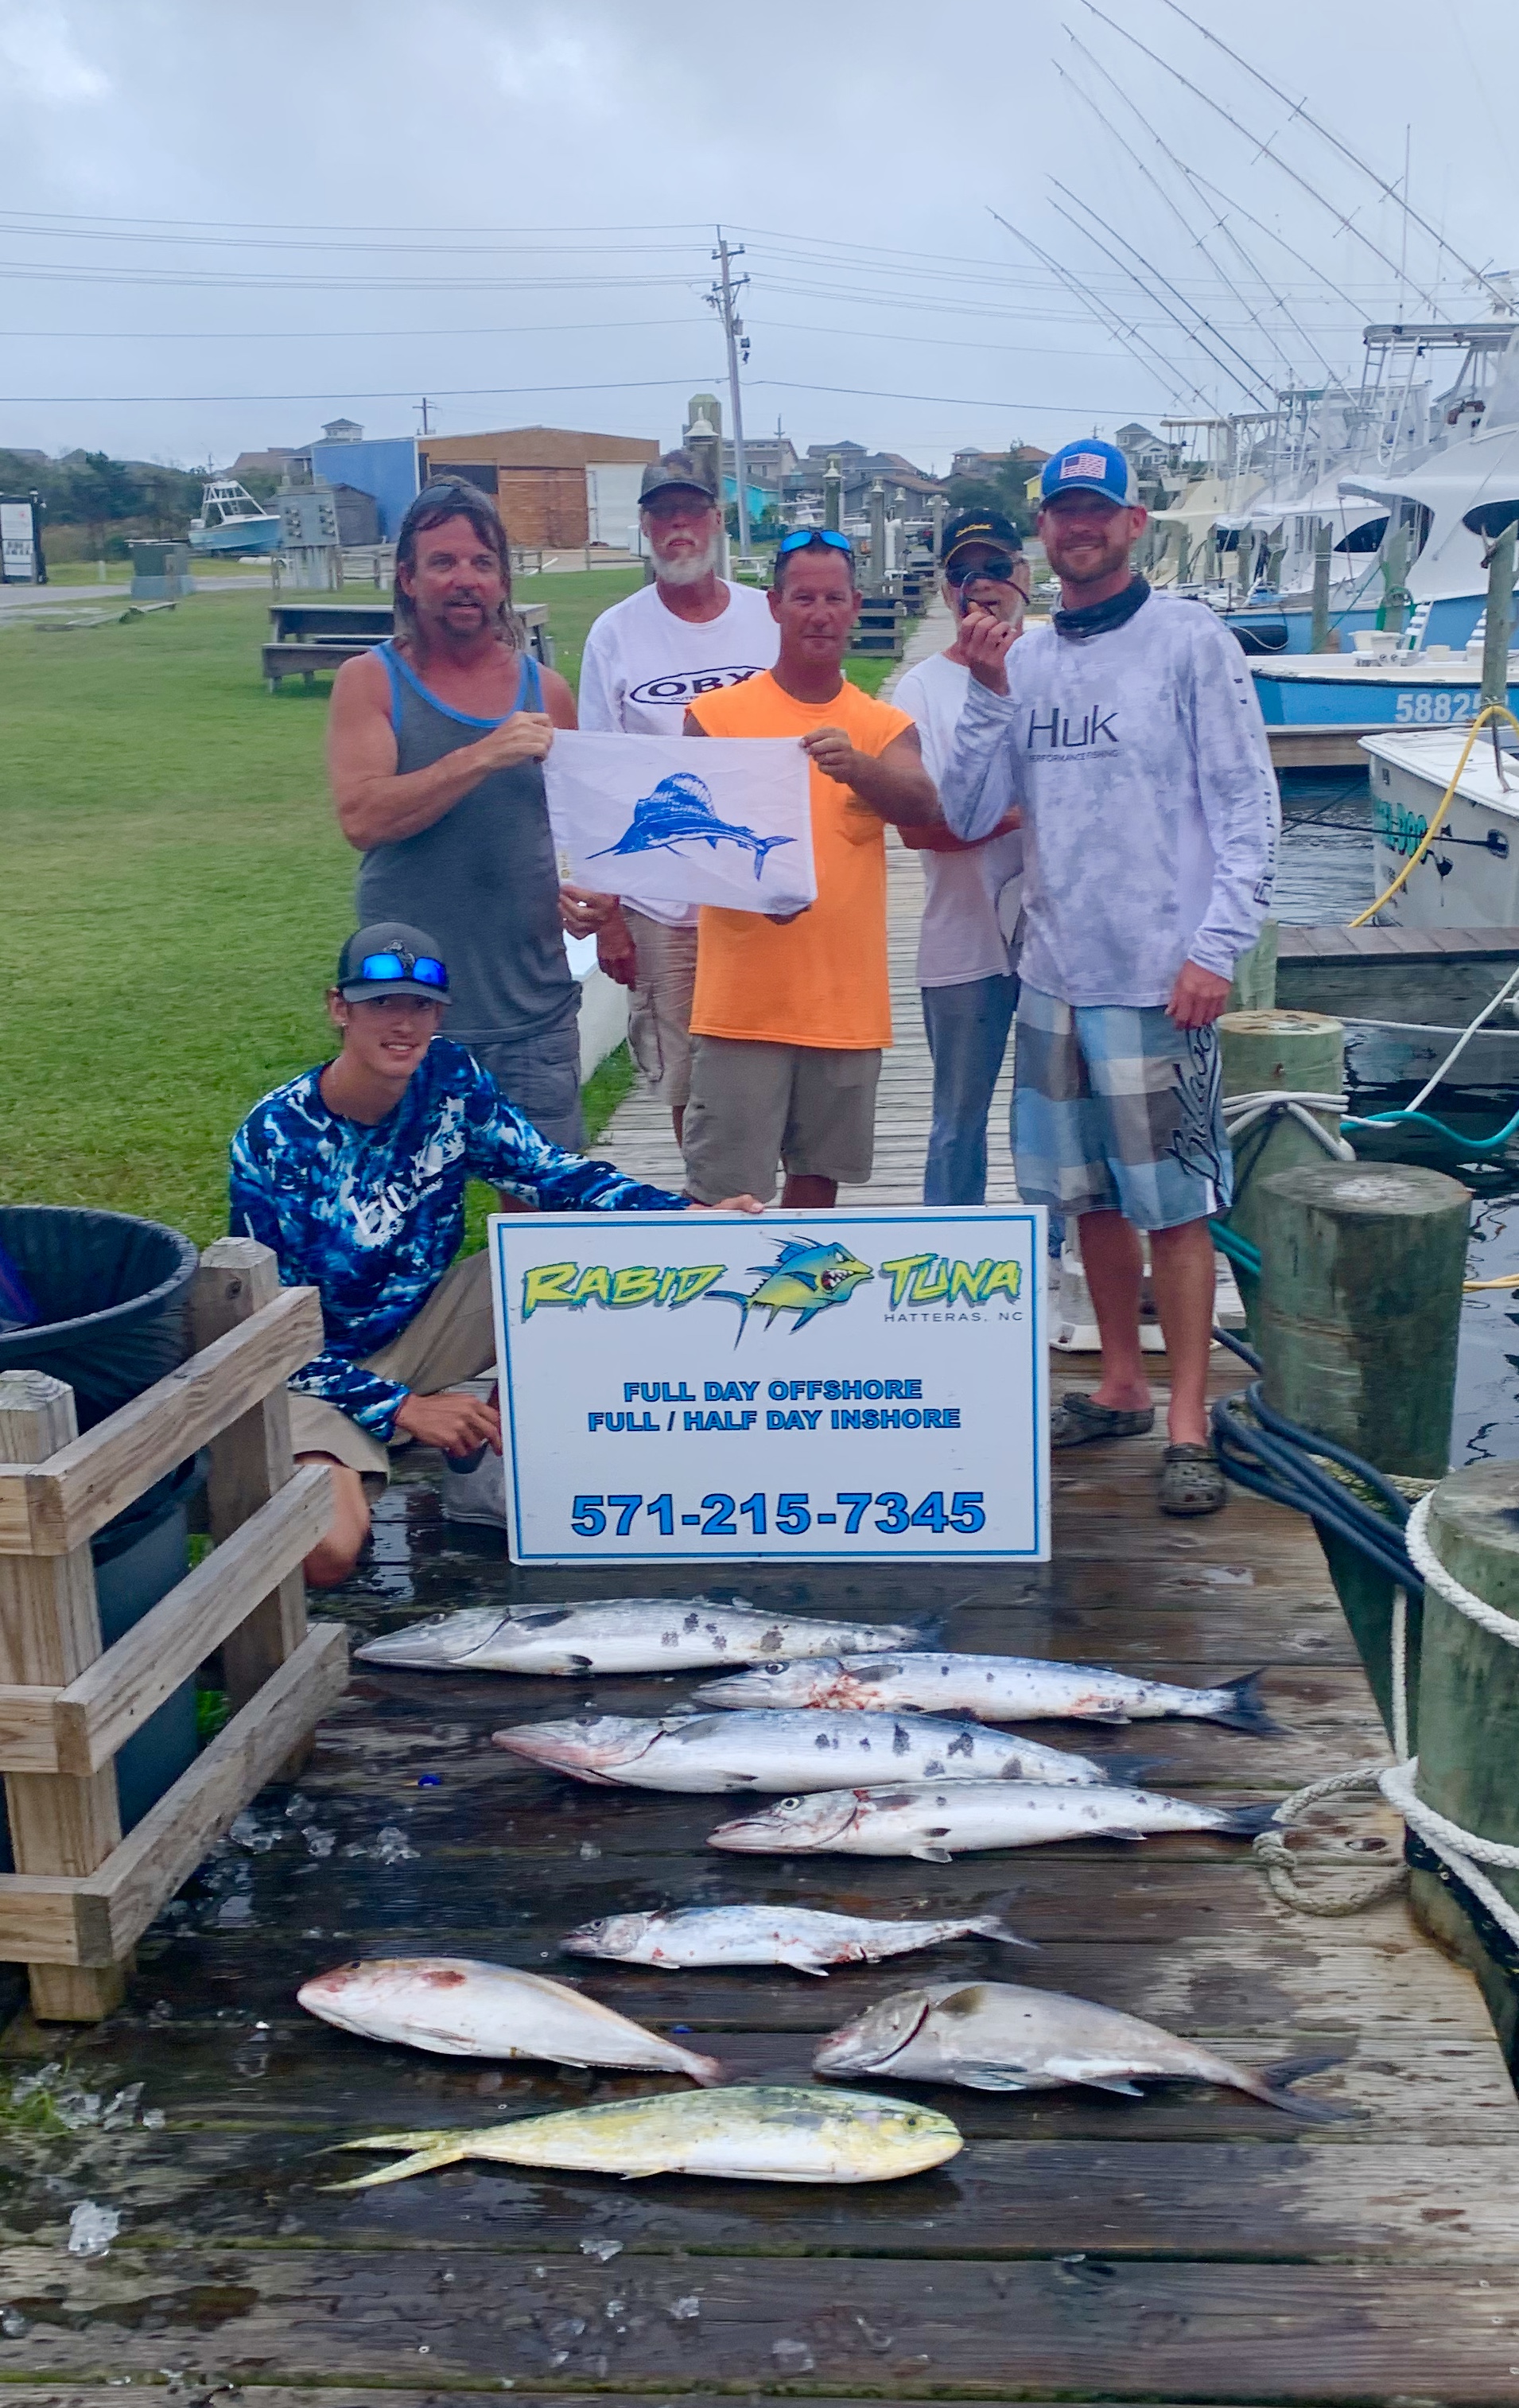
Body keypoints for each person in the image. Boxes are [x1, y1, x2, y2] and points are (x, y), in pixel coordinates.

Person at [940, 439, 1279, 1517]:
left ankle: (1185, 1417)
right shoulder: (1023, 660)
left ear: (1133, 523)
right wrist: (985, 687)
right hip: (1053, 973)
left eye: (1096, 509)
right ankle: (1120, 1383)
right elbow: (958, 810)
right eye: (1060, 511)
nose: (1076, 526)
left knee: (1173, 1206)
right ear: (1043, 532)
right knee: (1081, 1192)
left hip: (1157, 976)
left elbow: (1245, 805)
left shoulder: (1189, 638)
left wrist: (1213, 945)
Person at [230, 923, 758, 1587]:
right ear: (340, 1007)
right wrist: (402, 1409)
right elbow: (267, 1334)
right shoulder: (277, 1136)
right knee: (328, 1553)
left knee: (582, 1268)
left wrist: (687, 1216)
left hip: (419, 1325)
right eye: (382, 1003)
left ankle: (504, 1465)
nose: (404, 1023)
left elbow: (547, 1172)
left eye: (420, 1006)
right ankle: (387, 1443)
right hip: (312, 1365)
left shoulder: (450, 1077)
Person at [679, 529, 941, 1208]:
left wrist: (859, 767)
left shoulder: (885, 725)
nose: (819, 613)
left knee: (817, 1188)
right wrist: (751, 886)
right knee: (722, 1197)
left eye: (833, 598)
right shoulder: (714, 715)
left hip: (844, 1010)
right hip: (741, 1008)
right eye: (803, 598)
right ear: (774, 606)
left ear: (855, 607)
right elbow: (686, 847)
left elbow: (923, 807)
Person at [326, 479, 587, 1151]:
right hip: (404, 1012)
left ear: (503, 580)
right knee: (397, 1226)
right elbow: (362, 817)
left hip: (532, 1004)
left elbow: (583, 834)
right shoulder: (371, 680)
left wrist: (594, 899)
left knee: (544, 1221)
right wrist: (481, 755)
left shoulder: (547, 692)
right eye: (443, 563)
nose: (464, 580)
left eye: (481, 563)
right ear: (408, 578)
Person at [563, 450, 780, 1146]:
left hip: (755, 898)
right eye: (663, 514)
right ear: (645, 526)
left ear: (717, 521)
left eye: (690, 512)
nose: (677, 527)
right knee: (683, 1078)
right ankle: (704, 1203)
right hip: (660, 906)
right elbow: (596, 780)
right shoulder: (614, 633)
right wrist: (610, 919)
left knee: (764, 1064)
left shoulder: (767, 617)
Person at [893, 510, 1031, 1205]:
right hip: (963, 944)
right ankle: (947, 1265)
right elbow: (921, 828)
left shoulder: (1058, 669)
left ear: (1025, 578)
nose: (981, 586)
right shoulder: (919, 688)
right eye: (962, 573)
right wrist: (1035, 813)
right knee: (956, 1124)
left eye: (997, 568)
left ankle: (1063, 1268)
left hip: (1056, 947)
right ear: (946, 591)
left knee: (1053, 1124)